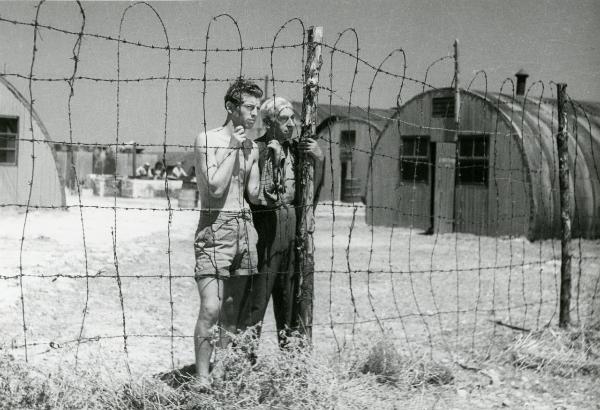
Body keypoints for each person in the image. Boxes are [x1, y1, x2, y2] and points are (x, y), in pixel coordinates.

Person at [193, 78, 262, 387]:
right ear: (231, 107)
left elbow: (255, 194)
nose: (254, 114)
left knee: (231, 312)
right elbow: (215, 188)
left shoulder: (252, 147)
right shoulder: (207, 139)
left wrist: (262, 156)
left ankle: (219, 374)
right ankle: (202, 380)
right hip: (215, 227)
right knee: (211, 307)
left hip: (244, 227)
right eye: (249, 107)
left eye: (258, 108)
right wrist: (234, 147)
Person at [245, 96, 324, 349]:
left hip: (293, 224)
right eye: (284, 119)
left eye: (294, 118)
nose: (292, 124)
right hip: (266, 227)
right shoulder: (256, 149)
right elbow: (253, 194)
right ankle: (244, 360)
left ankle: (290, 361)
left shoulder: (298, 152)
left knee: (290, 297)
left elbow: (313, 191)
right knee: (257, 297)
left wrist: (318, 159)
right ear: (269, 122)